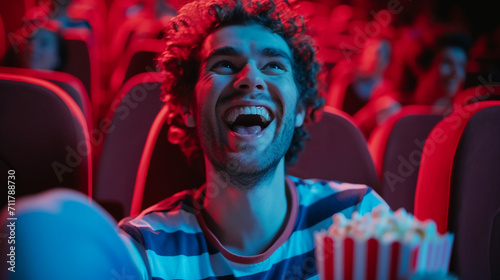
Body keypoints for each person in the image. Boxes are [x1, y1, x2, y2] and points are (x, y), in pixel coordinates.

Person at [1, 0, 387, 279]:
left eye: (273, 65)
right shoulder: (145, 251)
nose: (251, 78)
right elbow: (28, 235)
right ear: (186, 106)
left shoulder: (358, 218)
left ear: (301, 107)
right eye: (225, 64)